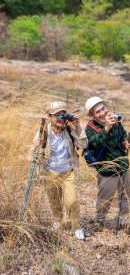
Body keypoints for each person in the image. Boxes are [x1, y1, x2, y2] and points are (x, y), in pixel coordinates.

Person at [31, 101, 88, 240]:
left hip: (68, 172)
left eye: (63, 114)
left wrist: (78, 126)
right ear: (50, 116)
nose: (60, 118)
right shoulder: (44, 131)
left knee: (71, 201)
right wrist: (35, 146)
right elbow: (32, 156)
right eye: (57, 115)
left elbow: (83, 144)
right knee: (54, 200)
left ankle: (76, 226)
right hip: (50, 172)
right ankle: (58, 220)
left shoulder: (69, 129)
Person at [84, 96, 130, 227]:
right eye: (97, 112)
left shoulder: (115, 120)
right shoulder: (90, 128)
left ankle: (125, 220)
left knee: (125, 194)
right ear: (91, 115)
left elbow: (122, 135)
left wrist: (126, 143)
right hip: (106, 168)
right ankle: (100, 220)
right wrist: (106, 128)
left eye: (103, 109)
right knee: (105, 197)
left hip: (123, 164)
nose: (102, 113)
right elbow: (95, 143)